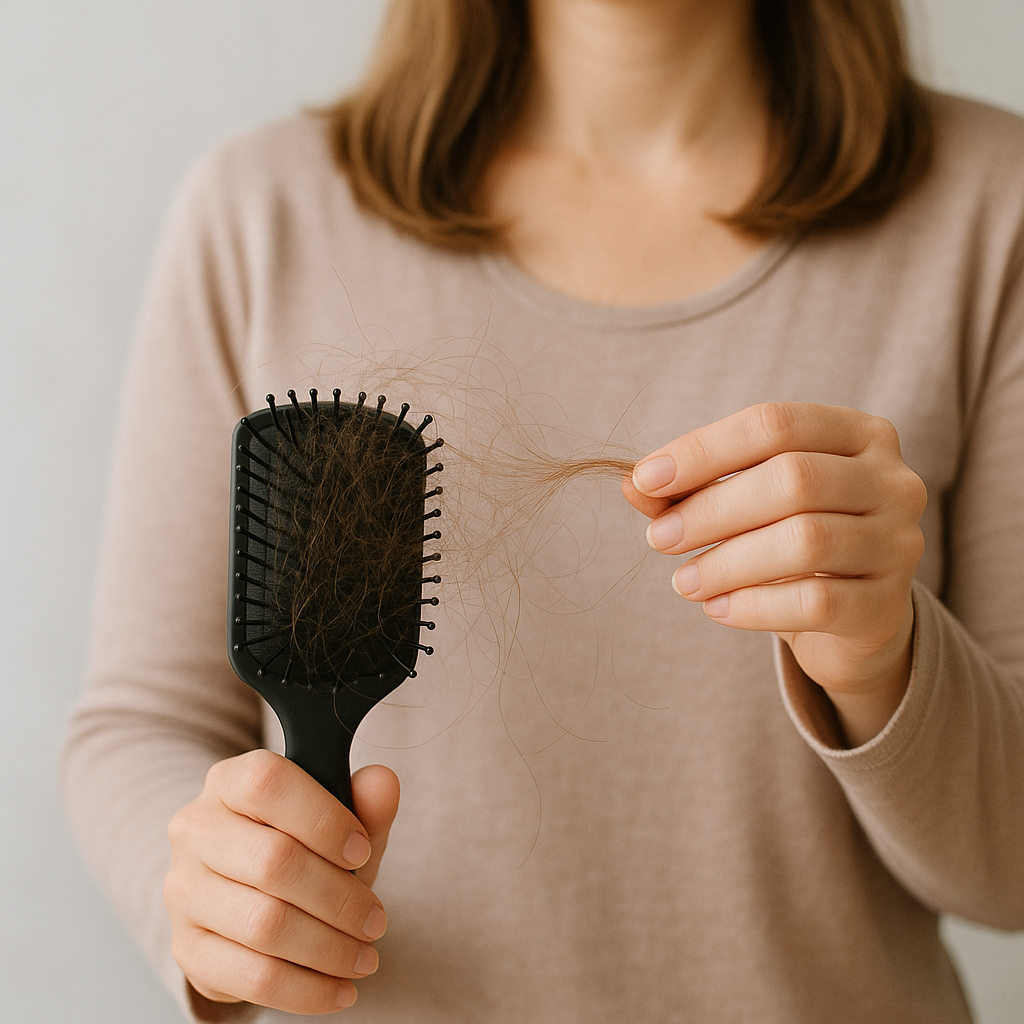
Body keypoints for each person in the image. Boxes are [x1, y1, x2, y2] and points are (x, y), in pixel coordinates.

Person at [61, 1, 1024, 1021]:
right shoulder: (258, 217)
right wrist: (218, 901)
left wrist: (881, 659)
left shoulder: (991, 210)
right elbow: (142, 724)